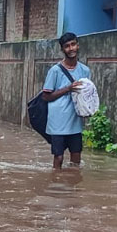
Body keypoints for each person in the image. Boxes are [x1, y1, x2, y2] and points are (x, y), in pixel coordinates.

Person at [41, 32, 91, 169]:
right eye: (67, 46)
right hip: (58, 123)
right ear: (62, 49)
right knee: (59, 157)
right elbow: (46, 96)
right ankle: (56, 184)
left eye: (73, 44)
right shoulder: (55, 71)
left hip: (75, 122)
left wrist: (89, 110)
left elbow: (87, 94)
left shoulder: (85, 70)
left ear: (78, 45)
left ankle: (73, 185)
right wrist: (68, 88)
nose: (71, 49)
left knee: (76, 157)